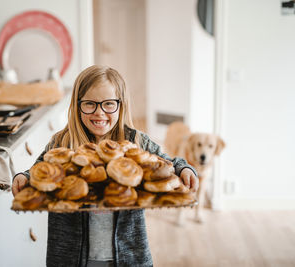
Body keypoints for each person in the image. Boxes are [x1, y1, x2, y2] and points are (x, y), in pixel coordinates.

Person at [12, 65, 199, 267]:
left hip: (127, 254)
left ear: (121, 105)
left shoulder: (136, 142)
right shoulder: (63, 143)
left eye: (109, 104)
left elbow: (165, 163)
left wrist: (184, 168)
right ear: (77, 105)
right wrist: (24, 177)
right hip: (71, 256)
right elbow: (39, 170)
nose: (99, 113)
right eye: (90, 104)